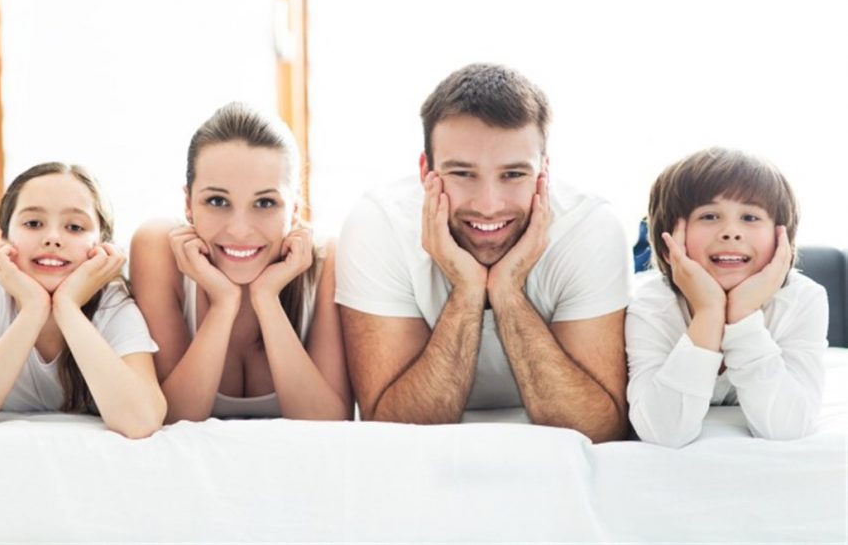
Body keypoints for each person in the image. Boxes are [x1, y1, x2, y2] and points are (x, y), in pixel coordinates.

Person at [336, 63, 632, 441]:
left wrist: (508, 292)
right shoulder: (379, 225)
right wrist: (467, 291)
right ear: (426, 171)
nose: (489, 205)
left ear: (544, 172)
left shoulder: (589, 228)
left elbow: (599, 429)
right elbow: (392, 429)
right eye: (462, 174)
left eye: (514, 174)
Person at [129, 102, 351, 422]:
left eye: (265, 203)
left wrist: (267, 299)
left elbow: (328, 424)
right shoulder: (158, 248)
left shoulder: (324, 260)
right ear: (188, 204)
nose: (240, 230)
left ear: (294, 209)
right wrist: (223, 304)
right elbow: (170, 418)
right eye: (217, 201)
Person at [0, 162, 165, 438]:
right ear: (2, 241)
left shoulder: (113, 302)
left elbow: (142, 420)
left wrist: (67, 307)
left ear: (101, 248)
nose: (53, 238)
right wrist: (33, 309)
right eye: (33, 223)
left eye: (75, 227)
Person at [627, 147, 828, 447]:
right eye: (709, 216)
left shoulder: (804, 299)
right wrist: (709, 312)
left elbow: (788, 427)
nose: (731, 232)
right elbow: (663, 432)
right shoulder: (649, 304)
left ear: (781, 237)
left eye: (750, 217)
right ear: (670, 240)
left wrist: (743, 314)